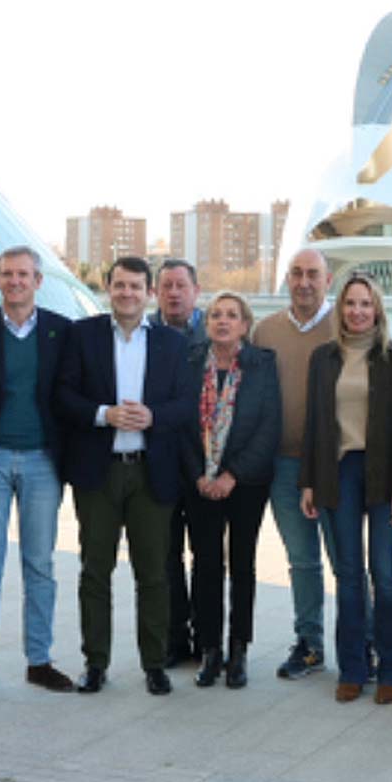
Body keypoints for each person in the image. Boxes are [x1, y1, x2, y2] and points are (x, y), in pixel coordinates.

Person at [54, 255, 195, 695]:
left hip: (150, 474)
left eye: (136, 286)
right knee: (94, 572)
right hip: (99, 474)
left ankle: (154, 663)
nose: (127, 294)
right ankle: (95, 663)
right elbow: (62, 395)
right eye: (119, 285)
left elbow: (187, 404)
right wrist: (103, 414)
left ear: (149, 293)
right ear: (107, 289)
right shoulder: (83, 335)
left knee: (153, 574)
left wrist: (152, 416)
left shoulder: (173, 344)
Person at [0, 246, 76, 695]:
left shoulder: (60, 333)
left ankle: (39, 660)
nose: (15, 281)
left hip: (43, 460)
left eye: (23, 274)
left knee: (39, 565)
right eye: (7, 274)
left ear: (38, 281)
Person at [300, 272, 392, 704]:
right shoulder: (323, 358)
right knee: (348, 575)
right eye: (350, 303)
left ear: (377, 309)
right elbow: (314, 423)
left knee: (383, 574)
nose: (358, 311)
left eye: (366, 304)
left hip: (383, 473)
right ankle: (352, 667)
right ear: (340, 309)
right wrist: (308, 481)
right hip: (338, 471)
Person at [182, 291, 279, 689]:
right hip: (200, 483)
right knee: (205, 565)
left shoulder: (261, 364)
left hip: (246, 482)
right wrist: (199, 476)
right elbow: (179, 426)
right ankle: (210, 650)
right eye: (216, 315)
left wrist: (231, 475)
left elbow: (269, 427)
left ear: (244, 324)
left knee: (243, 565)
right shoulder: (189, 363)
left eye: (232, 315)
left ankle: (238, 650)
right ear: (207, 323)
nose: (223, 321)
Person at [251, 247, 338, 679]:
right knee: (302, 560)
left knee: (345, 561)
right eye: (296, 273)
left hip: (335, 467)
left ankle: (364, 643)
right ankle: (310, 643)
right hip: (283, 466)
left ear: (329, 280)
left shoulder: (347, 324)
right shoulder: (264, 331)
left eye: (313, 274)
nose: (304, 282)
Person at [150, 258, 207, 667]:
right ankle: (174, 639)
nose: (173, 293)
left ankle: (207, 639)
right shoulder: (143, 334)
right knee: (165, 555)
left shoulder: (219, 330)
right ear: (156, 292)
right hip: (160, 460)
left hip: (206, 462)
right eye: (166, 286)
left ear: (195, 291)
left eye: (181, 286)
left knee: (206, 555)